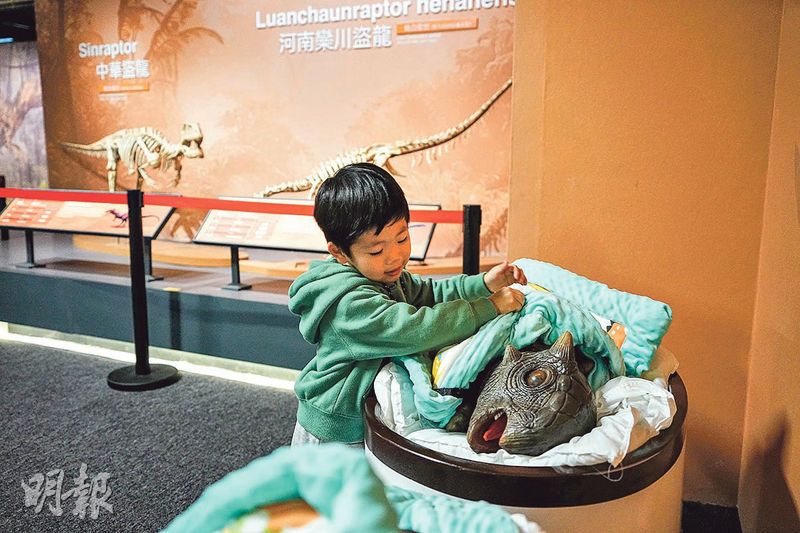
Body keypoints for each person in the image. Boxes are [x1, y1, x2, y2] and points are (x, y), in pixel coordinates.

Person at [288, 162, 526, 447]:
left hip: (362, 419)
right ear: (339, 252)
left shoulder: (384, 276)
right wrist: (488, 307)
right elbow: (413, 329)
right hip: (335, 430)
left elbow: (430, 292)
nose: (396, 256)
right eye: (377, 250)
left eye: (402, 237)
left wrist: (484, 283)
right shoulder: (348, 304)